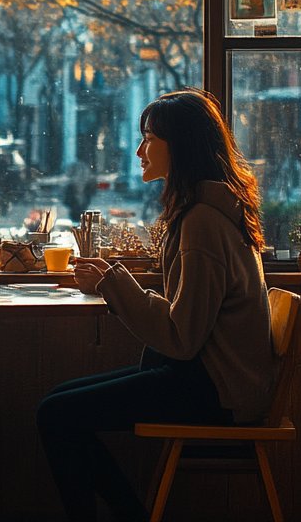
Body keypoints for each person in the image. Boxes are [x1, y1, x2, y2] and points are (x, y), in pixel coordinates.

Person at [36, 88, 276, 522]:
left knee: (56, 413)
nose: (140, 150)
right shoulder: (208, 210)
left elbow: (182, 338)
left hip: (217, 391)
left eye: (149, 137)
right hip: (215, 378)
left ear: (180, 145)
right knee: (57, 403)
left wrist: (113, 282)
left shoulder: (202, 223)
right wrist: (117, 285)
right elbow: (187, 320)